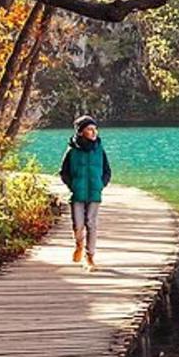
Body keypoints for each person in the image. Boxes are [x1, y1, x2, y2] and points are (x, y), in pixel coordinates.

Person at [58, 114, 112, 271]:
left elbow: (107, 171)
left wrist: (101, 184)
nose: (94, 132)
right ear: (81, 132)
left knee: (91, 223)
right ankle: (79, 245)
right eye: (90, 129)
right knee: (78, 225)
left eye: (95, 129)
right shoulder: (72, 151)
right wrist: (73, 185)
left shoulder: (99, 149)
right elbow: (63, 172)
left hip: (95, 193)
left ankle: (90, 257)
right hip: (78, 194)